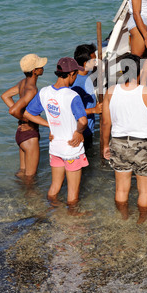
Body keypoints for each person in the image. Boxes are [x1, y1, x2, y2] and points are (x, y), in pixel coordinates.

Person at [102, 53, 147, 222]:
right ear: (139, 71)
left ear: (123, 70)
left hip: (118, 143)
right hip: (143, 145)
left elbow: (105, 123)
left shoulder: (110, 92)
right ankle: (142, 221)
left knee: (121, 190)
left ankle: (123, 218)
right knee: (144, 191)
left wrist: (105, 146)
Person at [23, 57, 88, 211]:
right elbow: (83, 121)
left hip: (55, 148)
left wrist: (50, 124)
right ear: (71, 74)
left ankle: (52, 211)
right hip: (72, 149)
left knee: (54, 188)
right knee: (73, 193)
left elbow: (28, 113)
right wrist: (79, 132)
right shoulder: (72, 96)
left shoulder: (44, 92)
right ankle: (72, 217)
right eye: (76, 74)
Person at [1, 53, 47, 180]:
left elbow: (5, 96)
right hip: (30, 135)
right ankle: (30, 200)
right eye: (40, 66)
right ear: (35, 71)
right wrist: (26, 118)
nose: (43, 67)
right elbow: (13, 110)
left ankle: (17, 197)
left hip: (20, 133)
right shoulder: (32, 89)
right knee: (30, 179)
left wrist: (22, 116)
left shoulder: (23, 83)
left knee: (22, 172)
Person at [72, 43, 103, 152]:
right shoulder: (76, 83)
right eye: (94, 60)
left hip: (89, 130)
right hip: (79, 133)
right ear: (86, 63)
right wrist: (94, 110)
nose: (96, 62)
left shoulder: (87, 74)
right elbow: (71, 111)